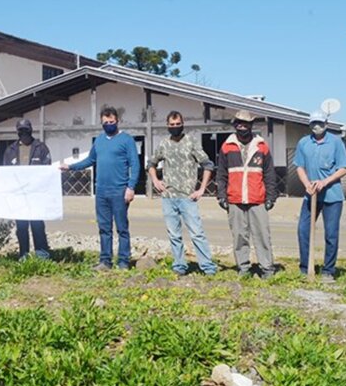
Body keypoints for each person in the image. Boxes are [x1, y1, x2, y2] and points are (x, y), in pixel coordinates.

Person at [61, 106, 139, 271]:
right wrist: (70, 167)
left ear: (117, 121)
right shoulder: (99, 141)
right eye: (105, 122)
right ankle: (105, 261)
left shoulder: (127, 140)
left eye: (111, 122)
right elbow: (90, 160)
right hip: (101, 191)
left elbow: (135, 164)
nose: (109, 124)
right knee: (104, 228)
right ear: (101, 123)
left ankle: (124, 261)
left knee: (122, 228)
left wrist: (131, 187)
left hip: (119, 190)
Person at [148, 111, 217, 276]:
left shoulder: (191, 142)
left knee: (197, 233)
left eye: (178, 124)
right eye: (172, 125)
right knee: (174, 234)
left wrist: (201, 189)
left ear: (182, 123)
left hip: (187, 197)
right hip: (168, 197)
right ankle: (179, 266)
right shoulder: (164, 144)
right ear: (167, 125)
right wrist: (155, 181)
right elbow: (151, 163)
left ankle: (208, 267)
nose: (175, 127)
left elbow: (208, 164)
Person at [217, 110, 279, 279]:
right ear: (235, 125)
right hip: (234, 199)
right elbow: (221, 174)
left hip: (257, 199)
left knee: (262, 236)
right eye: (239, 123)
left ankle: (267, 268)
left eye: (246, 123)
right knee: (239, 236)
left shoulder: (261, 146)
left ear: (251, 125)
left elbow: (269, 174)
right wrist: (221, 195)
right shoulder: (227, 146)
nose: (242, 126)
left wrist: (271, 197)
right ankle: (243, 268)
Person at [295, 111, 346, 282]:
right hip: (310, 195)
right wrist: (307, 184)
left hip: (332, 196)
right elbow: (299, 166)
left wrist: (325, 182)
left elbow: (344, 168)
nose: (316, 126)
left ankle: (328, 270)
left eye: (319, 123)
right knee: (303, 230)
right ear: (309, 124)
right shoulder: (304, 143)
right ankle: (306, 267)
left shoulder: (335, 142)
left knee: (331, 234)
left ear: (326, 123)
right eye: (313, 123)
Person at [2, 118, 52, 260]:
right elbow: (5, 173)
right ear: (17, 132)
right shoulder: (10, 150)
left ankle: (42, 255)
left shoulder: (41, 148)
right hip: (19, 196)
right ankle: (23, 255)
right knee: (21, 226)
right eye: (21, 130)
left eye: (26, 130)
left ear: (31, 130)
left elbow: (47, 170)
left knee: (37, 225)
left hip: (36, 195)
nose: (24, 133)